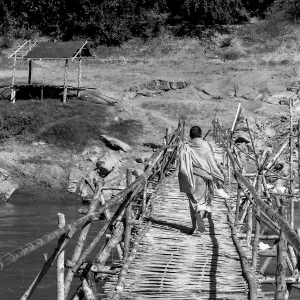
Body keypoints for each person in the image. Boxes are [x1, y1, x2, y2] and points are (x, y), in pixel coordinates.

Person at [178, 126, 228, 235]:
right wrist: (219, 176)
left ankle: (194, 227)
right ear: (201, 135)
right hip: (204, 178)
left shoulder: (186, 146)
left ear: (190, 135)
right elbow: (212, 162)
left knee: (193, 202)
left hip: (190, 177)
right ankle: (199, 221)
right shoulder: (206, 146)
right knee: (203, 202)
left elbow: (181, 163)